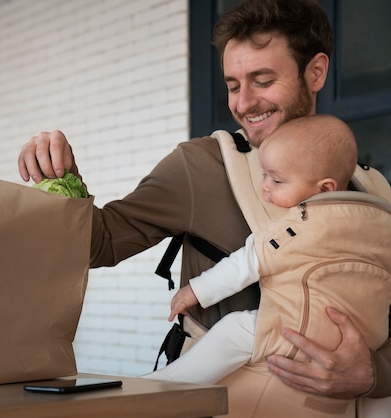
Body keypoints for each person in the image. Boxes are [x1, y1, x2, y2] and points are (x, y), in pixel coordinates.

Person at [18, 0, 391, 408]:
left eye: (262, 81)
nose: (244, 103)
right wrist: (63, 179)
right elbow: (98, 244)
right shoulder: (203, 165)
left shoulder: (373, 188)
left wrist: (375, 374)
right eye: (233, 86)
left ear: (315, 72)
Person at [141, 115, 390, 409]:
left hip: (297, 331)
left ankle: (162, 386)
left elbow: (245, 264)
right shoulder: (380, 222)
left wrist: (194, 291)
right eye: (264, 176)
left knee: (236, 329)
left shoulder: (299, 225)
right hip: (364, 340)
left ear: (324, 189)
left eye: (277, 180)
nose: (265, 188)